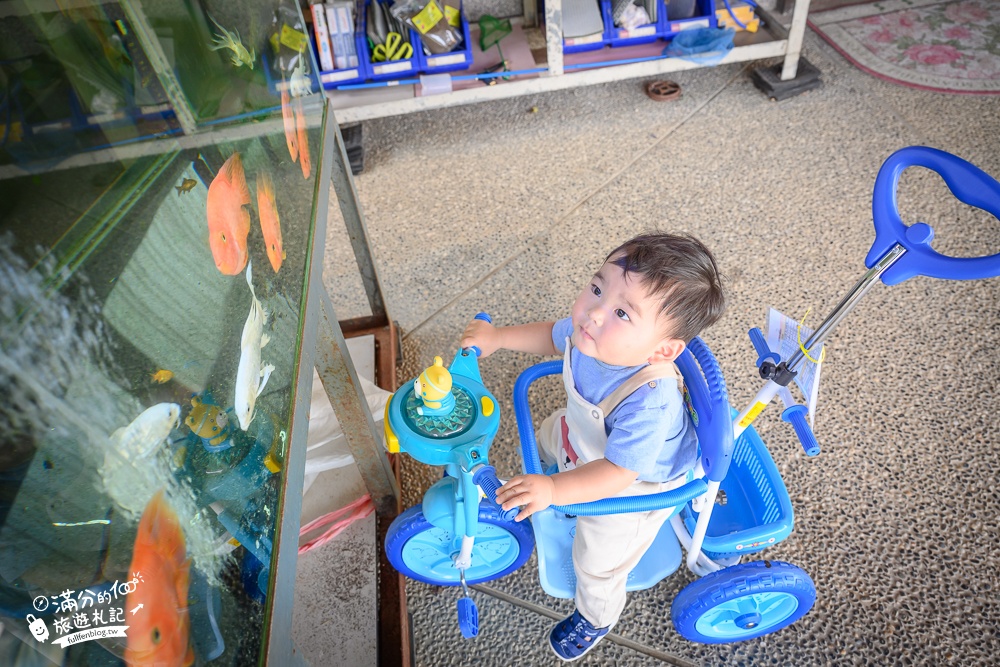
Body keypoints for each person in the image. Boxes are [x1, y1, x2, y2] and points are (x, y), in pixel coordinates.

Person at [461, 232, 726, 661]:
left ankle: (596, 616)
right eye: (598, 287)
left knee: (598, 561)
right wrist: (497, 338)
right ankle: (557, 479)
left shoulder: (650, 400)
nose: (595, 312)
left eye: (623, 311)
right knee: (550, 433)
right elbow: (551, 334)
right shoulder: (592, 334)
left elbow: (620, 472)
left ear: (663, 350)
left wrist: (553, 491)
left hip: (635, 486)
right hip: (586, 437)